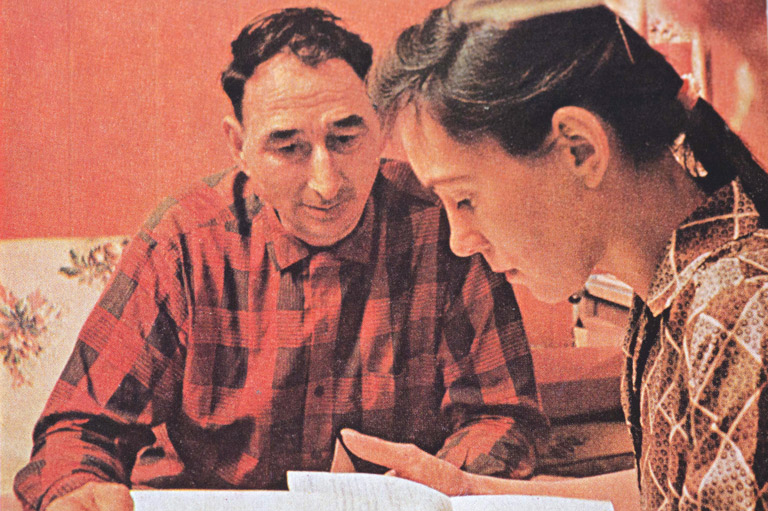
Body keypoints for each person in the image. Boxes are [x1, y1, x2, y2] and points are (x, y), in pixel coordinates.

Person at [12, 8, 547, 511]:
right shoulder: (183, 243)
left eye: (345, 137)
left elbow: (503, 416)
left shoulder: (444, 225)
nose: (326, 183)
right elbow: (77, 432)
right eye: (288, 148)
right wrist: (77, 491)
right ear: (239, 146)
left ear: (382, 126)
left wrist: (435, 481)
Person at [339, 2, 768, 510]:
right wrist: (469, 490)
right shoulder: (668, 295)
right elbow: (662, 491)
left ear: (579, 149)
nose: (460, 240)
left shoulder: (739, 309)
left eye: (464, 198)